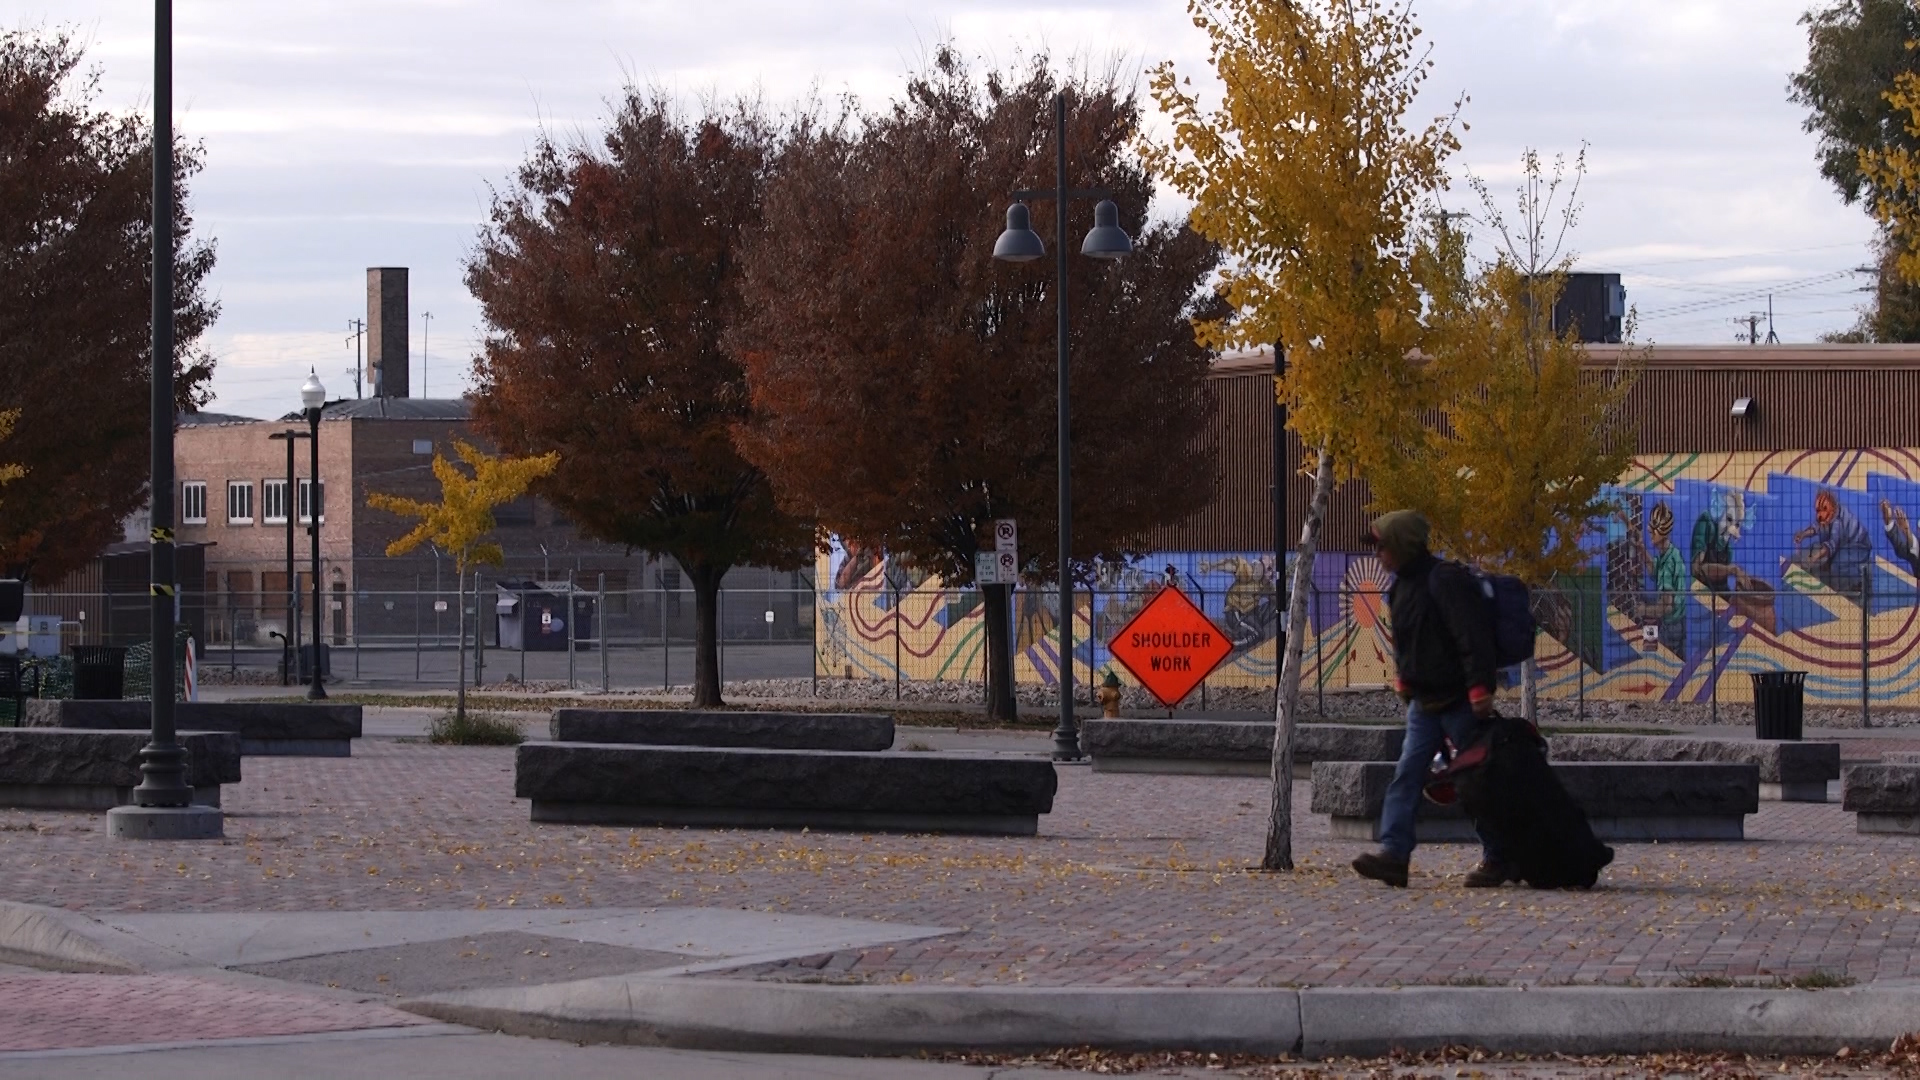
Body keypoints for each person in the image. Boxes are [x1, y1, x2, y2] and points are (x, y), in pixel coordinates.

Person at [1351, 510, 1512, 890]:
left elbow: (1471, 636)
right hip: (1424, 705)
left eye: (1382, 547)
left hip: (1461, 702)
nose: (1378, 556)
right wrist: (1405, 682)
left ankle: (1498, 856)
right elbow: (1406, 644)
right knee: (1407, 776)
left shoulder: (1445, 580)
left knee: (1474, 781)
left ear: (1402, 545)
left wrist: (1480, 689)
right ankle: (1394, 856)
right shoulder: (1399, 589)